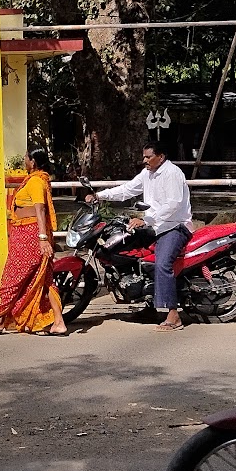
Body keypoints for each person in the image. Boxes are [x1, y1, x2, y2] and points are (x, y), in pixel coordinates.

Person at [93, 139, 192, 330]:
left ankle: (173, 315)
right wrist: (100, 195)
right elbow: (128, 189)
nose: (144, 160)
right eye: (144, 157)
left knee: (162, 264)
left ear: (161, 157)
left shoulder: (172, 173)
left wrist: (146, 220)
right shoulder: (147, 173)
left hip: (174, 227)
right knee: (130, 253)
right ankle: (149, 304)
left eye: (148, 157)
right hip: (154, 226)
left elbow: (173, 205)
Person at [0, 149, 67, 336]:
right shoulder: (34, 179)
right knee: (41, 279)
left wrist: (42, 238)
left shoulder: (36, 181)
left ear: (33, 162)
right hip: (24, 232)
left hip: (31, 234)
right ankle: (57, 322)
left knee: (13, 278)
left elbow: (40, 209)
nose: (24, 161)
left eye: (26, 158)